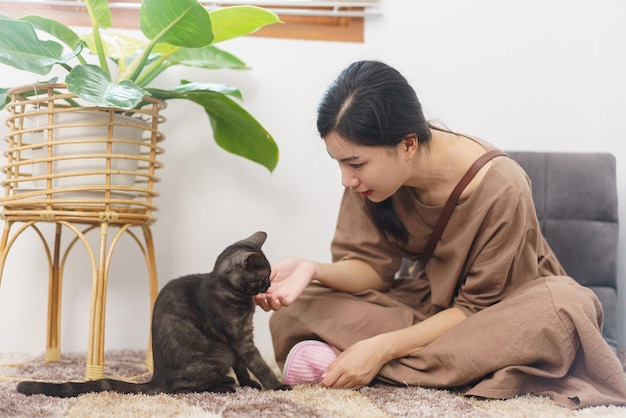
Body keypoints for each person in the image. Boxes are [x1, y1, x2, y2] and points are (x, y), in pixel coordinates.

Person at [255, 60, 626, 409]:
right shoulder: (369, 182)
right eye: (338, 162)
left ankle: (356, 362)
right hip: (429, 305)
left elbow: (473, 309)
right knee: (298, 309)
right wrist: (311, 269)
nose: (346, 178)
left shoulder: (503, 186)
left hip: (496, 316)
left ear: (408, 145)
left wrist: (381, 348)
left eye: (355, 164)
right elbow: (372, 270)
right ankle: (444, 368)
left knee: (567, 309)